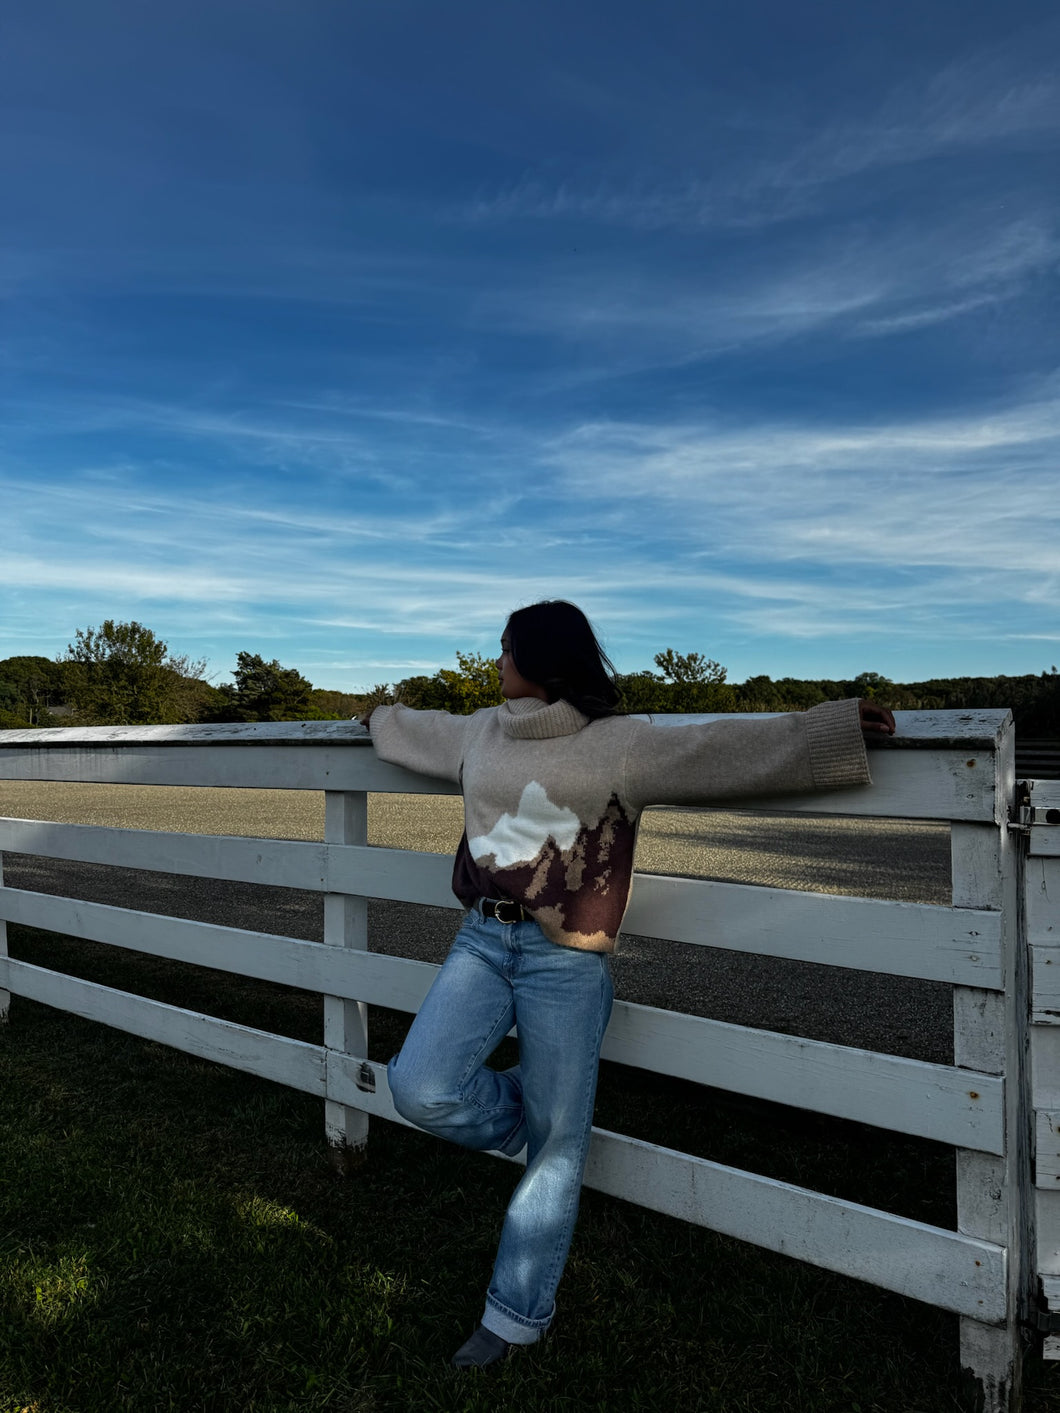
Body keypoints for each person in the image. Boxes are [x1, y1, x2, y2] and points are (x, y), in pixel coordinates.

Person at [364, 600, 895, 1370]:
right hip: (481, 937)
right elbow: (418, 729)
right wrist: (377, 717)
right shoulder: (481, 731)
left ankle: (514, 1316)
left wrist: (830, 731)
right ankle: (544, 1124)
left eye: (506, 648)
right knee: (420, 1086)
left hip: (565, 960)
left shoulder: (619, 744)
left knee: (556, 1144)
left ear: (542, 659)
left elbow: (719, 748)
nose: (497, 659)